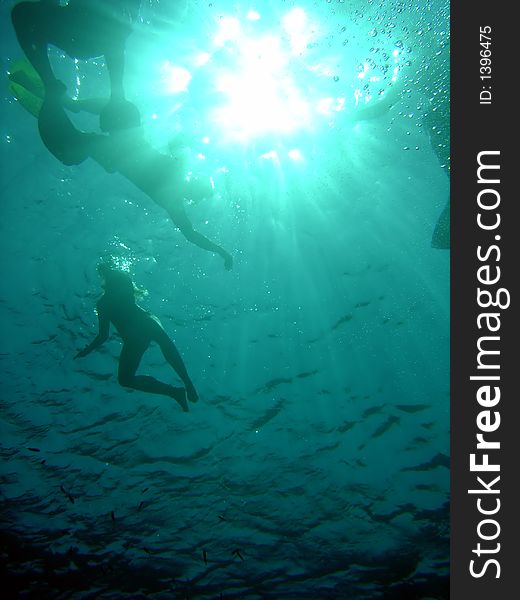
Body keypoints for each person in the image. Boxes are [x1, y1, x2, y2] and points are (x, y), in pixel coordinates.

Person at [8, 59, 234, 270]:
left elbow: (191, 233)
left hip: (115, 144)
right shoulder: (176, 190)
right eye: (199, 190)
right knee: (82, 143)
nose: (194, 190)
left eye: (198, 189)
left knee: (75, 150)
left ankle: (61, 100)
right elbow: (191, 232)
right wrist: (221, 252)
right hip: (119, 142)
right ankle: (64, 101)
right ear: (195, 190)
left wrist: (221, 251)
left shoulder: (176, 191)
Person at [11, 0, 140, 158]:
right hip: (90, 25)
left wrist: (50, 82)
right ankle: (67, 99)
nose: (71, 55)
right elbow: (115, 43)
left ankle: (66, 98)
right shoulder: (107, 29)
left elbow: (115, 41)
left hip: (91, 24)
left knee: (26, 14)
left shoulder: (107, 27)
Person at [74, 263, 198, 412]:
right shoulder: (105, 300)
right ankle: (174, 391)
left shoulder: (109, 296)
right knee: (125, 378)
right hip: (136, 334)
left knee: (165, 345)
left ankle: (184, 384)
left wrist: (88, 349)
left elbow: (103, 336)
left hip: (141, 325)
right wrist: (88, 349)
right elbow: (103, 335)